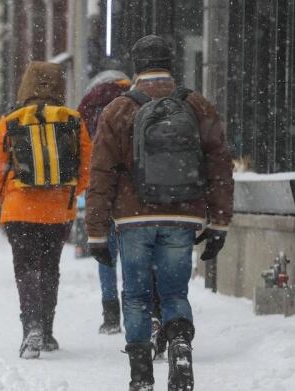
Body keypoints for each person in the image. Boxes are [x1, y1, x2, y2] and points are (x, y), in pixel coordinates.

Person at [86, 35, 233, 390]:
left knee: (135, 295)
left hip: (133, 218)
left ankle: (140, 375)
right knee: (174, 292)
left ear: (137, 67)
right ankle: (180, 345)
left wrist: (96, 231)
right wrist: (219, 222)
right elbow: (219, 165)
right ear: (172, 63)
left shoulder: (118, 109)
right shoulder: (197, 105)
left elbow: (101, 172)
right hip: (183, 215)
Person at [0, 61, 93, 359]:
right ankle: (46, 330)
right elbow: (87, 161)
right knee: (49, 267)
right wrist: (72, 192)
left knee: (25, 267)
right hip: (57, 210)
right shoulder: (72, 119)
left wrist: (3, 195)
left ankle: (30, 325)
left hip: (20, 209)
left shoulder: (11, 119)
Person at [77, 70, 132, 335]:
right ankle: (135, 308)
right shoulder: (136, 101)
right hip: (132, 193)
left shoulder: (89, 106)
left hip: (100, 188)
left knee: (105, 254)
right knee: (134, 255)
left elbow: (83, 149)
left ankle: (110, 316)